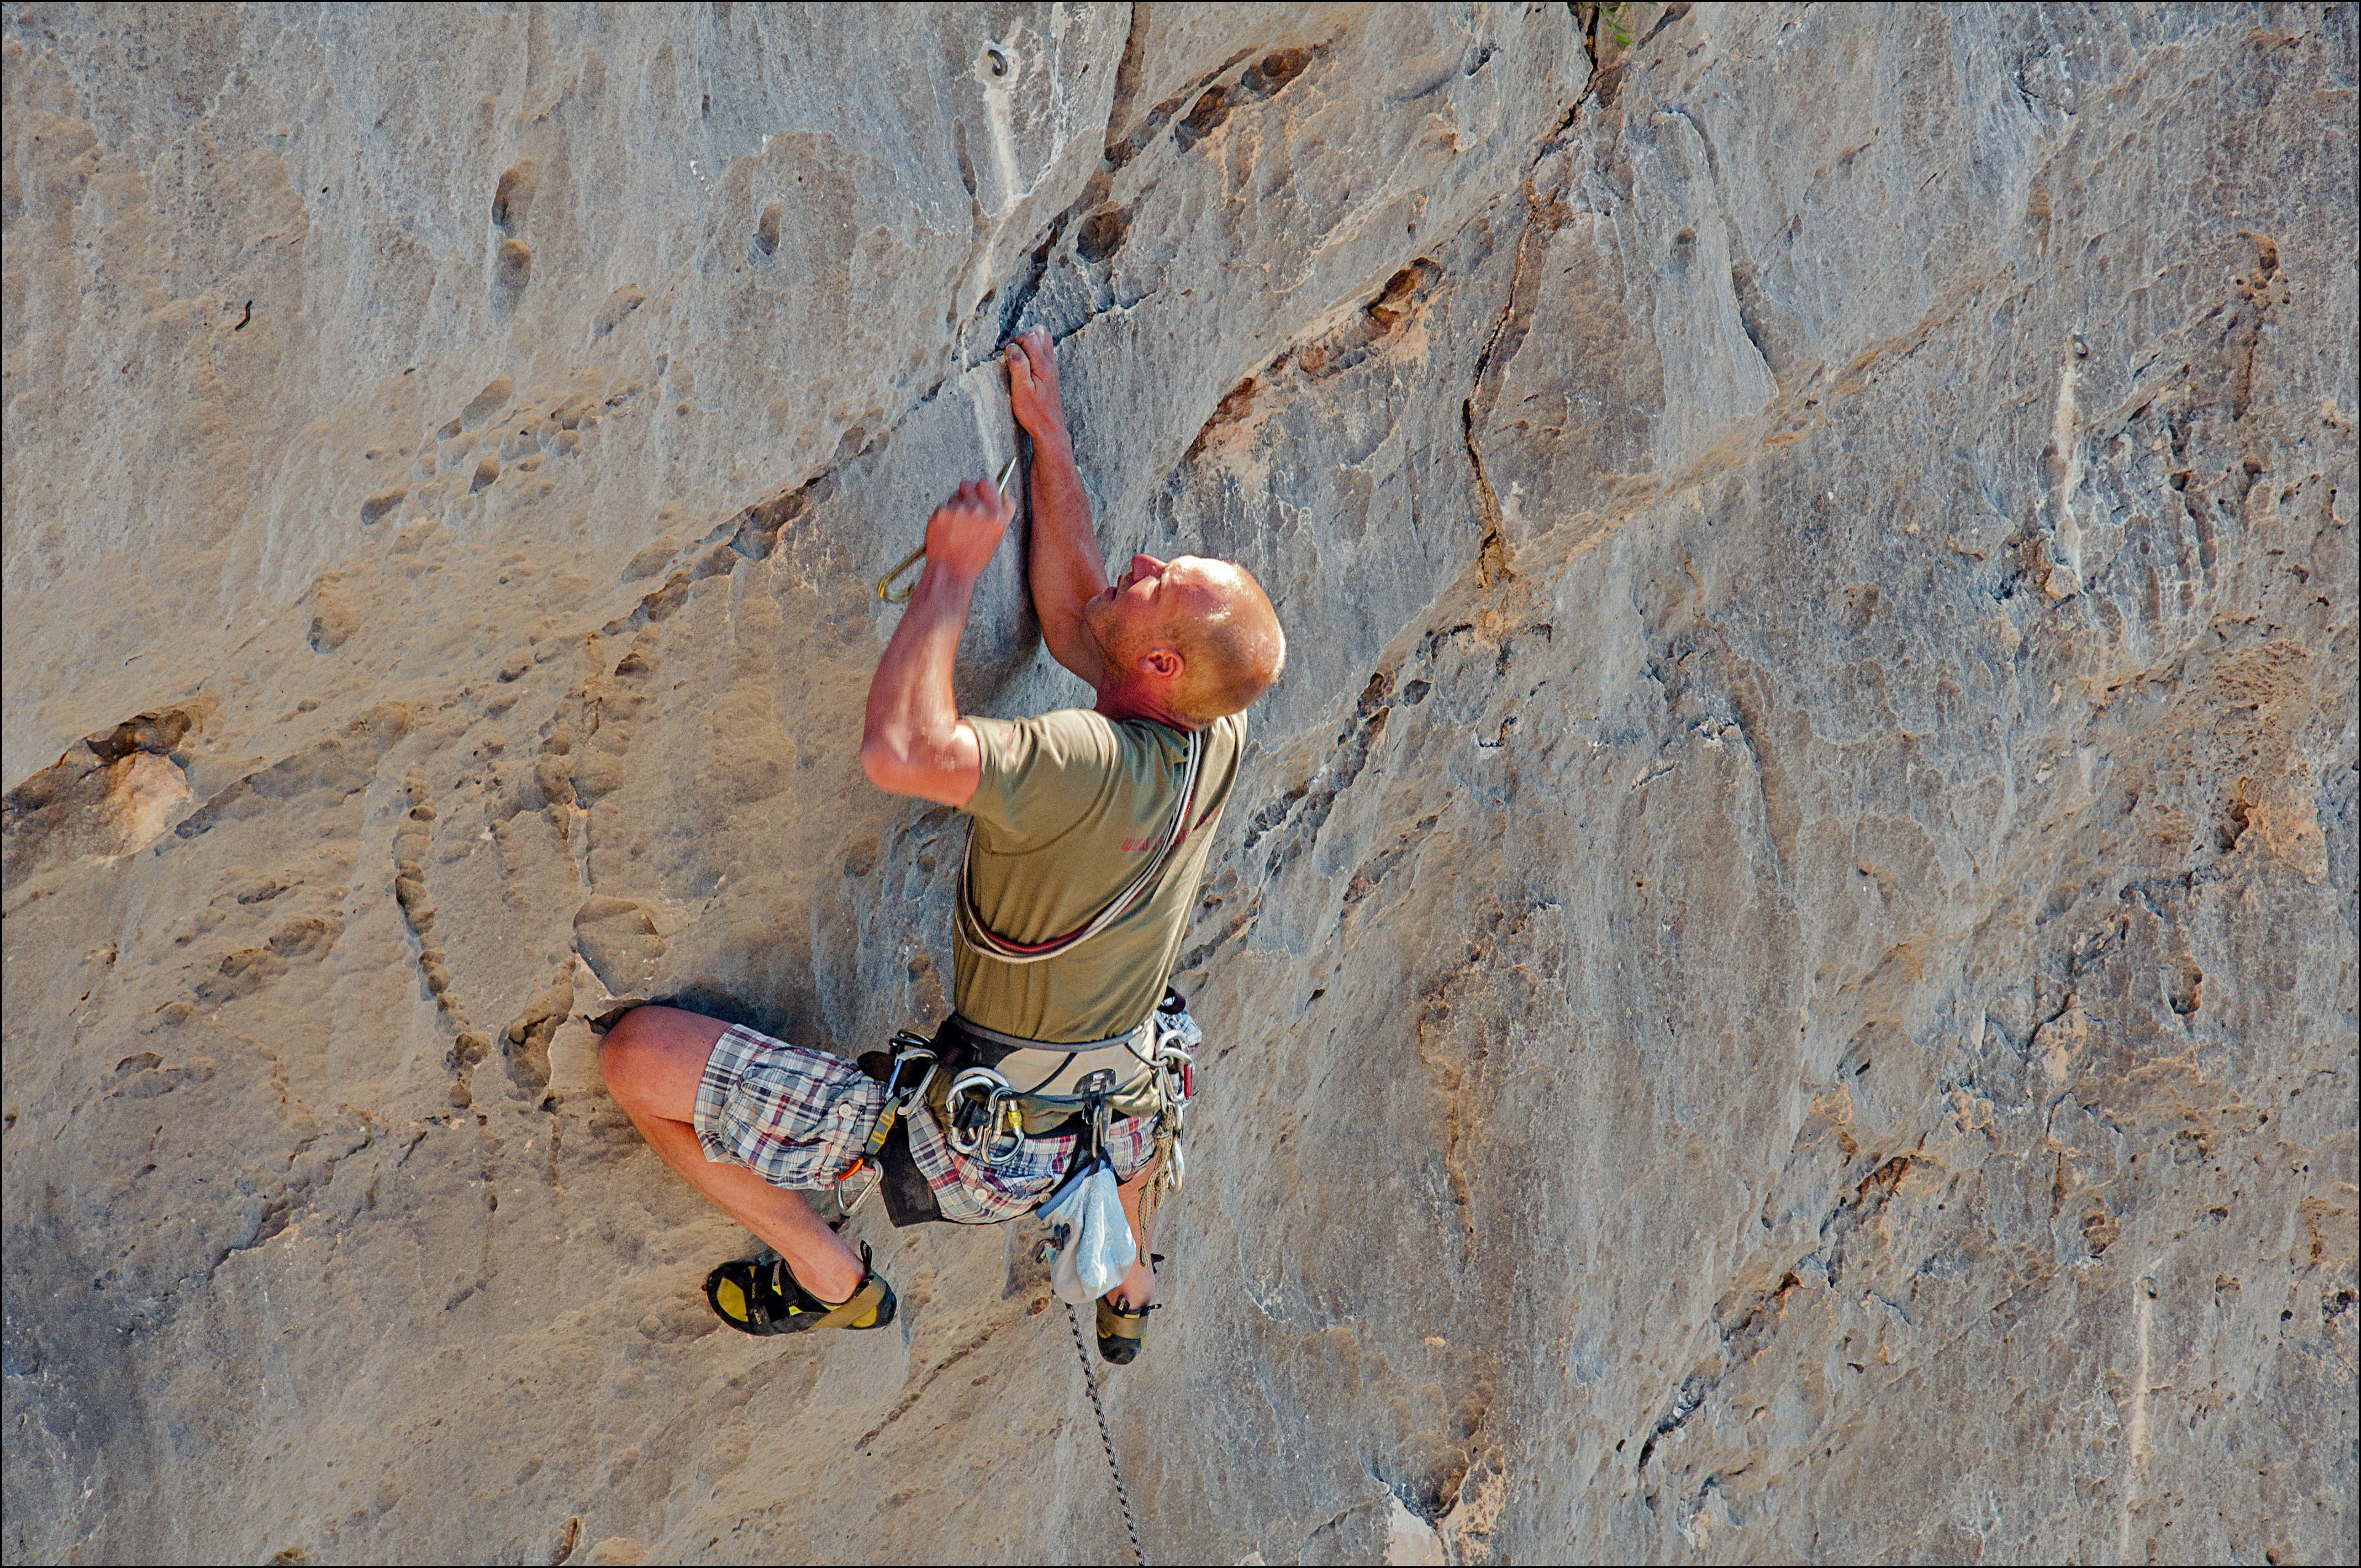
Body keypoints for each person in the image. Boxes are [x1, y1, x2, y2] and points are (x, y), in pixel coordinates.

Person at [597, 327, 1285, 1361]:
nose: (1141, 564)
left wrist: (952, 577)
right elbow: (1080, 615)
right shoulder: (1216, 721)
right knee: (1154, 1057)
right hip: (1123, 1103)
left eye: (1157, 582)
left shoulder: (1085, 763)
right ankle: (1130, 1278)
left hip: (988, 1145)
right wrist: (1049, 440)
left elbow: (903, 750)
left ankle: (828, 1274)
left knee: (636, 1057)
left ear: (1159, 666)